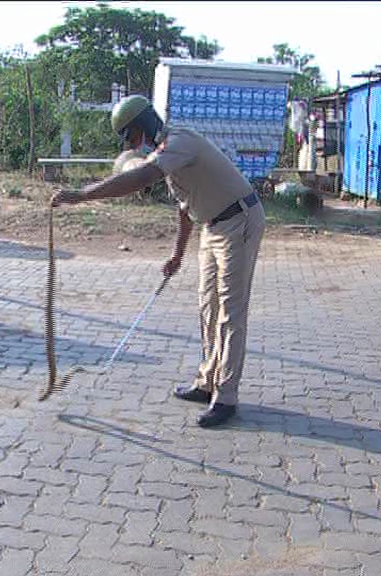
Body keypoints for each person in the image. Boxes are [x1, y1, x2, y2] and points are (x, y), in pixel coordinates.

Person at [51, 94, 265, 427]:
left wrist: (82, 195)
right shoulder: (166, 157)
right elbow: (185, 210)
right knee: (207, 307)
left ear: (144, 125)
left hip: (240, 221)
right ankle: (207, 381)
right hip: (211, 226)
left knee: (230, 312)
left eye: (132, 137)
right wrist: (177, 254)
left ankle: (226, 397)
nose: (133, 145)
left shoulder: (179, 142)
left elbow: (140, 177)